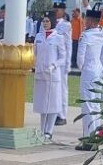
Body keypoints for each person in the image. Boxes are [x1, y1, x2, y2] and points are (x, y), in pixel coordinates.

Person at [75, 7, 103, 151]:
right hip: (99, 69)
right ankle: (98, 136)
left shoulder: (85, 36)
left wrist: (83, 69)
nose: (85, 21)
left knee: (87, 104)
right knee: (96, 104)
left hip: (88, 70)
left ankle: (89, 139)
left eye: (87, 19)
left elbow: (80, 59)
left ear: (92, 21)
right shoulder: (102, 32)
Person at [33, 14, 66, 142]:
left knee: (52, 103)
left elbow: (62, 57)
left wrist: (54, 65)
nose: (45, 23)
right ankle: (42, 129)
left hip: (52, 75)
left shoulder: (58, 37)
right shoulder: (39, 36)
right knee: (42, 103)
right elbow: (34, 53)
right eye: (43, 21)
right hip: (41, 73)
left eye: (47, 21)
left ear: (52, 22)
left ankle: (49, 130)